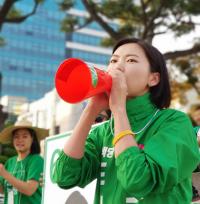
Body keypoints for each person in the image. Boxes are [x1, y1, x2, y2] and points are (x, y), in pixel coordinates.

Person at [53, 38, 200, 204]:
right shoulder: (102, 132)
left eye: (130, 60)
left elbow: (137, 181)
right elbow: (64, 176)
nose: (118, 66)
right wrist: (91, 109)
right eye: (113, 60)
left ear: (153, 78)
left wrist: (119, 108)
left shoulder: (174, 122)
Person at [0, 119, 49, 204]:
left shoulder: (37, 160)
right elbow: (3, 189)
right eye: (16, 136)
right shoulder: (10, 162)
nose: (20, 140)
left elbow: (29, 190)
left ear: (32, 139)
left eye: (25, 136)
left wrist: (6, 175)